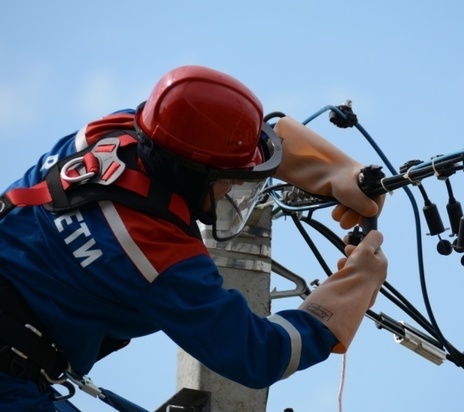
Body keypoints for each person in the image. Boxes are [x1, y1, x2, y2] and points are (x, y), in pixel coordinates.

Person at [0, 65, 387, 411]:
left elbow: (201, 124)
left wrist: (335, 168)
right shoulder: (153, 251)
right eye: (228, 181)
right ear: (190, 175)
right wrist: (350, 291)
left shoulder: (119, 132)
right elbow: (258, 353)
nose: (233, 189)